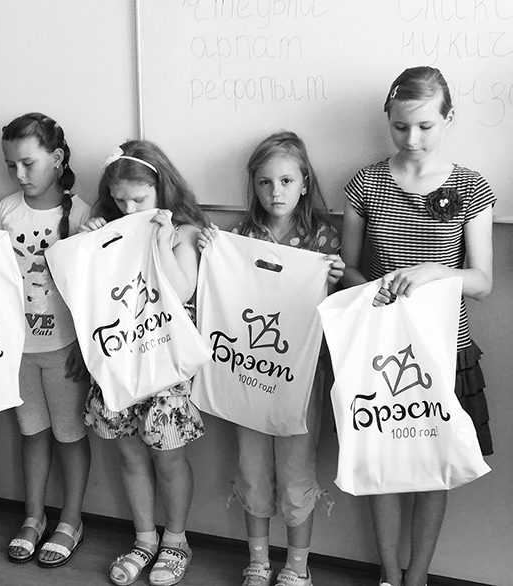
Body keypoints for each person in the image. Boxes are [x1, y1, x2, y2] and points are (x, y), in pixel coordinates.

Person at [340, 66, 494, 586]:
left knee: (434, 470)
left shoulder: (471, 187)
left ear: (449, 119)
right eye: (400, 126)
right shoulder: (366, 182)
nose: (411, 139)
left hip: (445, 349)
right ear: (388, 120)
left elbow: (482, 282)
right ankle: (389, 575)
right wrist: (373, 286)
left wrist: (434, 271)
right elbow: (349, 268)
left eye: (425, 126)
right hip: (382, 348)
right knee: (382, 467)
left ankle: (418, 578)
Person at [198, 131, 344, 586]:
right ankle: (258, 561)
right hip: (248, 374)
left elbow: (328, 310)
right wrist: (211, 254)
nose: (275, 192)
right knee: (252, 468)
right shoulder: (241, 236)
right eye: (264, 182)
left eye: (285, 181)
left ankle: (297, 567)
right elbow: (222, 292)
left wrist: (333, 278)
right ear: (253, 186)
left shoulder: (322, 237)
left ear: (304, 182)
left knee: (297, 472)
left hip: (300, 377)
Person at [82, 140, 206, 586]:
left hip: (164, 364)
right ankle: (144, 539)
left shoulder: (184, 231)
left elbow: (182, 290)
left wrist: (160, 240)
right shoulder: (109, 230)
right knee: (130, 454)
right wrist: (90, 240)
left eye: (139, 199)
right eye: (120, 200)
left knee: (167, 456)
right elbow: (86, 291)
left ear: (161, 189)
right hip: (119, 358)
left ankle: (176, 540)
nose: (129, 208)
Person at [0, 113, 92, 567]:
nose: (19, 174)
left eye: (28, 163)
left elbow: (91, 293)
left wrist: (84, 349)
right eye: (11, 165)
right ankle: (33, 516)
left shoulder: (82, 215)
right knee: (31, 433)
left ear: (56, 158)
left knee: (69, 435)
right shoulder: (5, 210)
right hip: (17, 349)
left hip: (64, 351)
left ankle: (71, 519)